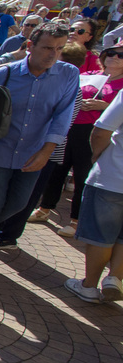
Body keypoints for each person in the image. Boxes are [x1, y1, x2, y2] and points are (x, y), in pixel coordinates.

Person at [0, 21, 79, 273]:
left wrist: (47, 151)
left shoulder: (68, 75)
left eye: (59, 48)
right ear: (30, 46)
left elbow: (63, 116)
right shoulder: (4, 74)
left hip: (34, 152)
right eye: (47, 47)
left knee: (19, 204)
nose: (53, 54)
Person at [30, 44, 123, 236]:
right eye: (111, 53)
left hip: (94, 131)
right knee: (57, 168)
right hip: (69, 127)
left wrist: (104, 106)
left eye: (121, 55)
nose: (114, 57)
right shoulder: (88, 74)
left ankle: (76, 220)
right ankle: (45, 208)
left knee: (82, 175)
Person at [66, 90, 123, 302]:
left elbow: (100, 131)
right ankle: (114, 278)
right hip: (113, 178)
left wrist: (97, 156)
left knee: (100, 236)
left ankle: (89, 286)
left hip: (112, 177)